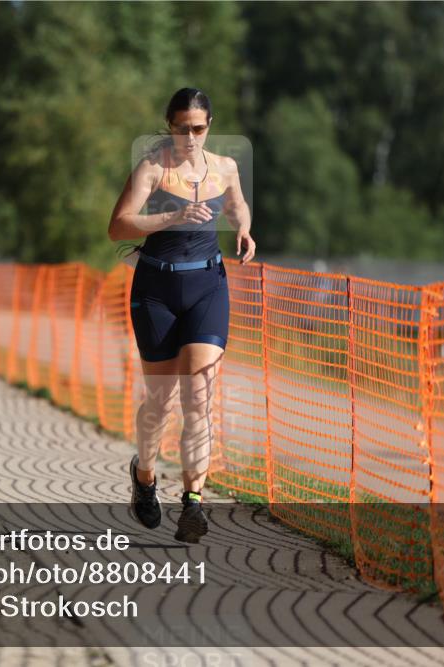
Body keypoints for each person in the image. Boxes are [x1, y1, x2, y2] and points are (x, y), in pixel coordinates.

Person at [108, 88, 255, 543]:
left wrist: (245, 230)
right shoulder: (153, 168)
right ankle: (144, 475)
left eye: (198, 128)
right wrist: (172, 217)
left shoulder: (225, 167)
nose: (189, 137)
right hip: (156, 291)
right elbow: (118, 225)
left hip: (207, 286)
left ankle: (193, 502)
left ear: (210, 125)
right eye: (181, 128)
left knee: (199, 401)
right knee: (161, 403)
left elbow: (237, 206)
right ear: (169, 125)